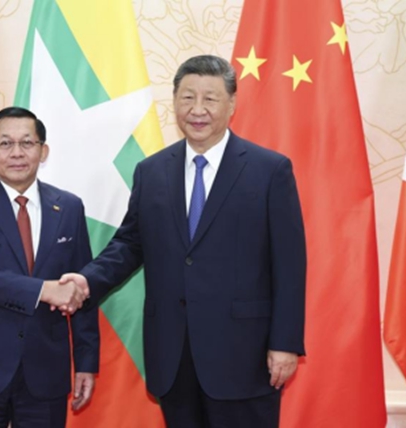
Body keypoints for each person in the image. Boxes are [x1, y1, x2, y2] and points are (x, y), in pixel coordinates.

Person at [61, 55, 306, 427]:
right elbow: (129, 245)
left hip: (245, 354)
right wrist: (86, 280)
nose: (197, 109)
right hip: (173, 353)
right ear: (174, 101)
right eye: (188, 97)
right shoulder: (151, 171)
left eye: (210, 98)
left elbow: (289, 264)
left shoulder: (269, 170)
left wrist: (285, 342)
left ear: (232, 104)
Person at [0, 107, 99, 428]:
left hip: (46, 371)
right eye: (5, 143)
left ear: (43, 151)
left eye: (27, 143)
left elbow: (80, 288)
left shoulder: (68, 206)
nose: (16, 153)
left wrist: (85, 362)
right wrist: (43, 290)